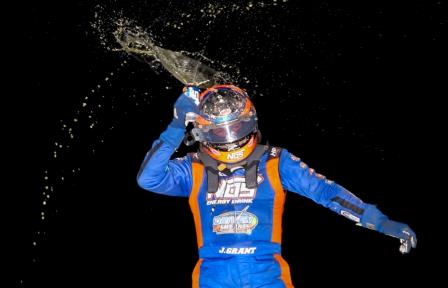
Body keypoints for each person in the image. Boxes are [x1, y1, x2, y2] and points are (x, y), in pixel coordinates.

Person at [137, 84, 417, 288]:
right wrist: (175, 125)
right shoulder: (193, 166)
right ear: (200, 131)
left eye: (236, 127)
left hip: (267, 274)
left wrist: (380, 222)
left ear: (252, 121)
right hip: (212, 275)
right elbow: (148, 178)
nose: (230, 138)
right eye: (219, 131)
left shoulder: (276, 160)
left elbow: (327, 192)